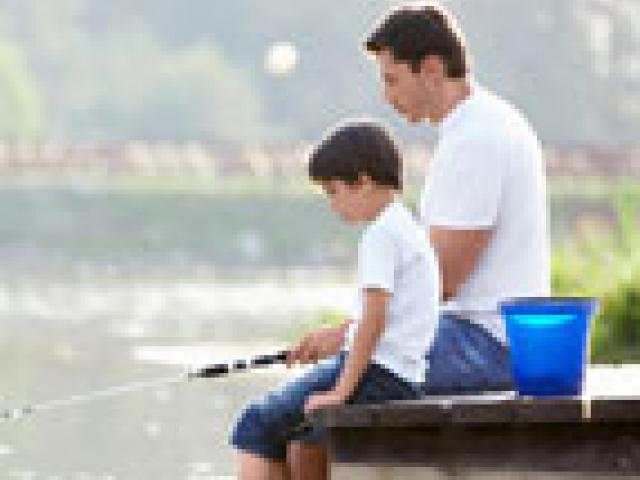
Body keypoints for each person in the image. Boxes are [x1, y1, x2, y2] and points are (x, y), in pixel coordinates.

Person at [287, 2, 550, 476]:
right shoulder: (481, 125)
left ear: (430, 70)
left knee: (297, 414)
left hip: (484, 344)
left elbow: (438, 284)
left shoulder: (478, 139)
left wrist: (345, 336)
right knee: (309, 404)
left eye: (392, 80)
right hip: (478, 336)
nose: (386, 97)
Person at [231, 120, 440, 480]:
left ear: (364, 182)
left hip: (377, 375)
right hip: (399, 376)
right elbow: (383, 319)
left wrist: (341, 390)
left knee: (256, 424)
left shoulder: (381, 236)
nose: (332, 204)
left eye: (333, 191)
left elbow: (374, 320)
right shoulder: (405, 227)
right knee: (303, 438)